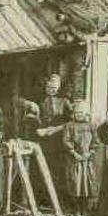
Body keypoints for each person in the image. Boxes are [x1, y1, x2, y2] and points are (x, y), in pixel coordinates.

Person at [59, 100, 100, 216]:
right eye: (76, 113)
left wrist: (90, 152)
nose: (79, 115)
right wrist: (74, 153)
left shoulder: (92, 125)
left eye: (81, 112)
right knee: (75, 184)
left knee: (87, 184)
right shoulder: (69, 125)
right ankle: (76, 209)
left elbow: (96, 141)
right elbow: (66, 140)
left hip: (87, 160)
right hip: (74, 159)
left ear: (86, 113)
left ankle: (85, 210)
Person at [36, 74, 73, 203]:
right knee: (43, 166)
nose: (52, 90)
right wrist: (39, 129)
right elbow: (35, 120)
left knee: (58, 169)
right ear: (45, 87)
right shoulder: (40, 102)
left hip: (59, 140)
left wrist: (56, 129)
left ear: (59, 88)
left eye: (55, 88)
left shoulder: (64, 102)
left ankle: (58, 200)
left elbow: (71, 122)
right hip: (44, 139)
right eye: (49, 87)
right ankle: (43, 199)